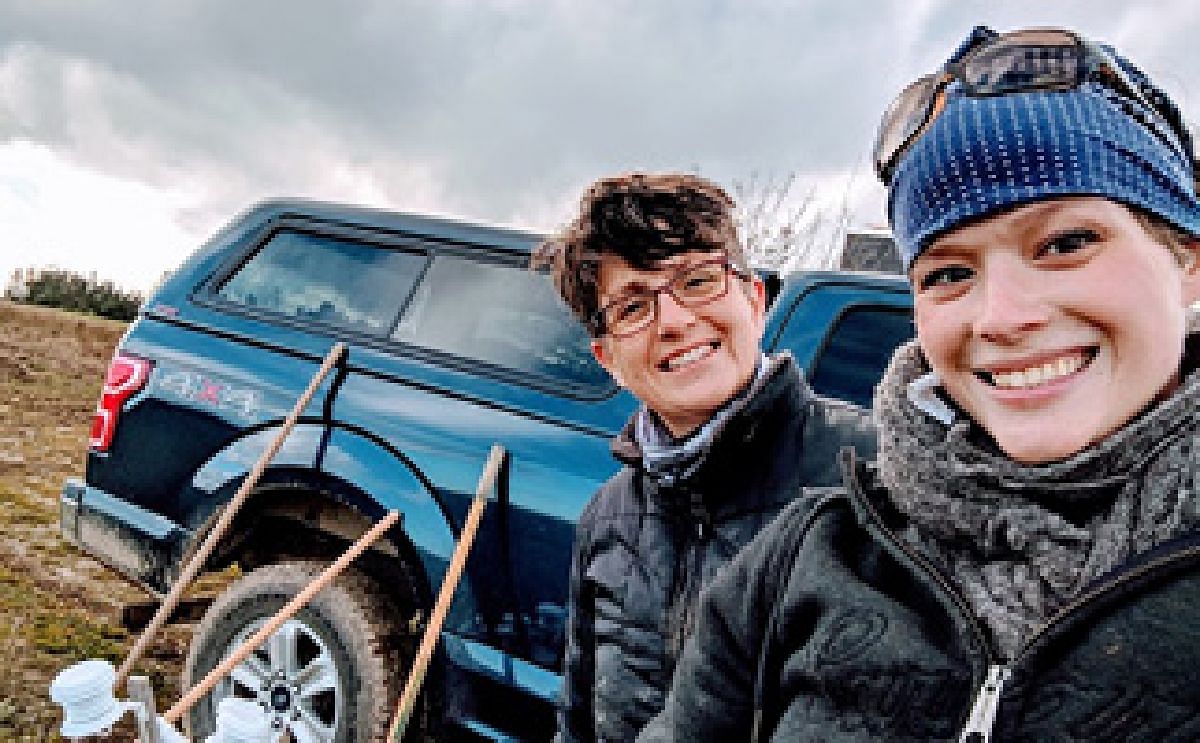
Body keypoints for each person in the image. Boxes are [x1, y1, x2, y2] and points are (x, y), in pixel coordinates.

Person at [640, 26, 1200, 741]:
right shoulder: (808, 555)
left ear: (1186, 256)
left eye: (1065, 243)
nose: (1001, 317)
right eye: (949, 273)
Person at [532, 173, 878, 742]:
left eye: (697, 280)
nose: (673, 321)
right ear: (607, 357)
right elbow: (578, 719)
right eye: (633, 307)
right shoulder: (607, 518)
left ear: (755, 299)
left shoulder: (874, 478)